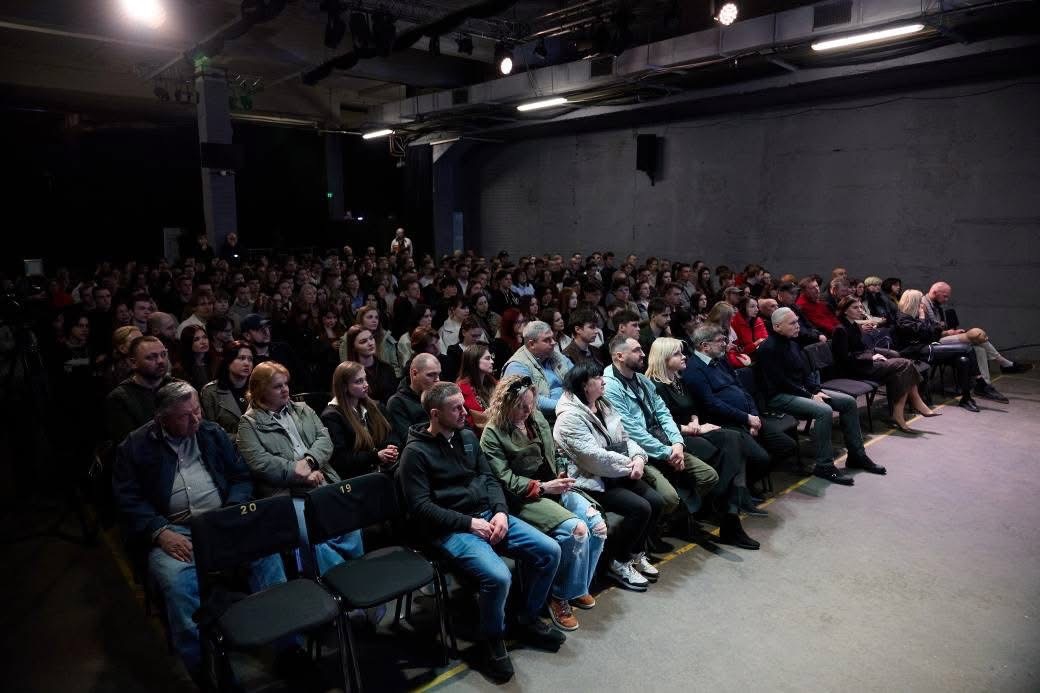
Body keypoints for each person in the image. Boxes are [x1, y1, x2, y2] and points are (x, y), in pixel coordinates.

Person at [111, 381, 288, 681]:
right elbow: (127, 499)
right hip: (174, 530)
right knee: (177, 583)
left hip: (221, 520)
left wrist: (231, 511)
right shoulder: (135, 446)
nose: (196, 419)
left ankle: (287, 645)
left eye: (198, 411)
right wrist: (158, 531)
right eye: (186, 416)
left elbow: (240, 476)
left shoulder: (210, 432)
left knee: (268, 555)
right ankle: (205, 668)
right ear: (162, 419)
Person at [399, 382, 565, 683]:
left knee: (550, 551)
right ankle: (492, 639)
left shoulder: (466, 437)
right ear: (435, 414)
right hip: (451, 529)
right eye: (456, 408)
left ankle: (526, 619)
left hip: (489, 515)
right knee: (499, 577)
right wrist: (468, 523)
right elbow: (421, 508)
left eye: (463, 405)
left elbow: (489, 479)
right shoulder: (415, 454)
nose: (466, 412)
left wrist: (500, 511)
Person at [480, 375, 606, 631]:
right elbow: (504, 480)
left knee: (598, 525)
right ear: (505, 404)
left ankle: (577, 585)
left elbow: (555, 452)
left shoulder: (536, 418)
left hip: (552, 486)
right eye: (520, 406)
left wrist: (560, 472)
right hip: (523, 497)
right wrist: (545, 487)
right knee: (577, 530)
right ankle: (559, 595)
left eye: (531, 404)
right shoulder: (492, 433)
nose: (527, 411)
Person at [236, 361, 362, 576]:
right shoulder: (249, 424)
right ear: (260, 390)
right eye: (277, 386)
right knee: (313, 537)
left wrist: (310, 462)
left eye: (286, 384)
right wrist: (297, 473)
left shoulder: (303, 409)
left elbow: (325, 440)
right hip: (286, 494)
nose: (285, 389)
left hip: (322, 479)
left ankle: (359, 574)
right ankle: (338, 583)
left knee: (351, 524)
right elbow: (260, 463)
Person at [646, 338, 767, 548]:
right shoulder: (655, 386)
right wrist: (695, 428)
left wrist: (695, 421)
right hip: (674, 438)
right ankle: (728, 516)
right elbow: (658, 423)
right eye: (677, 354)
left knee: (734, 438)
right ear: (663, 358)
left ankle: (720, 500)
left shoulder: (678, 379)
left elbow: (693, 409)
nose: (684, 357)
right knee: (726, 449)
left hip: (693, 430)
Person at [553, 364, 663, 592]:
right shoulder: (569, 418)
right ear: (584, 385)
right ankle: (618, 562)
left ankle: (634, 553)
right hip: (590, 480)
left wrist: (639, 457)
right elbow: (593, 458)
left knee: (657, 501)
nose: (603, 381)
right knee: (640, 508)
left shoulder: (603, 404)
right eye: (597, 377)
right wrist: (629, 465)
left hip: (616, 471)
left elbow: (624, 438)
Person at [757, 308, 886, 485]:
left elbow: (805, 374)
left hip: (800, 391)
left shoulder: (793, 344)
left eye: (797, 321)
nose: (798, 326)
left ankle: (857, 455)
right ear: (777, 326)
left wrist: (816, 390)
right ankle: (824, 465)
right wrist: (810, 396)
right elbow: (781, 382)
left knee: (848, 402)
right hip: (778, 396)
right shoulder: (767, 349)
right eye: (792, 323)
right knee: (823, 411)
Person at [601, 336, 719, 518]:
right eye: (637, 350)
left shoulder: (642, 379)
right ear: (620, 356)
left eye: (642, 349)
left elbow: (664, 414)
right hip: (638, 451)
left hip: (663, 442)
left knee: (709, 476)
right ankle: (670, 522)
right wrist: (668, 453)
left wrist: (677, 443)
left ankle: (682, 517)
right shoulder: (609, 386)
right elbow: (632, 430)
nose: (643, 354)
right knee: (669, 498)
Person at [682, 324, 800, 463]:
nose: (725, 344)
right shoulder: (694, 370)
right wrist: (746, 418)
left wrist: (754, 415)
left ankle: (760, 458)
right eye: (720, 340)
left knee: (788, 445)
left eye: (724, 339)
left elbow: (740, 388)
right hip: (727, 423)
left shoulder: (720, 359)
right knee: (762, 459)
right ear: (705, 346)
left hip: (748, 415)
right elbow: (712, 404)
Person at [833, 297, 938, 432]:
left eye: (860, 307)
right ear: (845, 311)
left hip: (863, 364)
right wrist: (871, 357)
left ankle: (899, 414)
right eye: (855, 307)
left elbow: (861, 348)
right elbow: (844, 358)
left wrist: (872, 355)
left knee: (902, 372)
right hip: (855, 369)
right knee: (904, 364)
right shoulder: (840, 329)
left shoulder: (853, 325)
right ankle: (913, 405)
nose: (860, 310)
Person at [894, 290, 984, 412]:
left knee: (963, 360)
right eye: (920, 301)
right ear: (913, 302)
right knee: (967, 348)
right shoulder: (902, 318)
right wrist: (923, 318)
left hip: (926, 347)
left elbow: (934, 329)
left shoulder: (914, 316)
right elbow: (923, 332)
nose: (922, 304)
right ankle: (980, 381)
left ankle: (966, 398)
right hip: (915, 352)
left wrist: (931, 326)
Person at [321, 361, 399, 479]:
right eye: (359, 381)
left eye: (365, 379)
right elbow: (341, 459)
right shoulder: (332, 416)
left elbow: (392, 433)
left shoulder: (375, 406)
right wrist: (376, 456)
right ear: (344, 387)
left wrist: (391, 448)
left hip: (384, 470)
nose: (366, 384)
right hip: (358, 478)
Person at [105, 335, 175, 444]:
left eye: (163, 354)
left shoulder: (178, 386)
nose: (160, 361)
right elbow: (128, 444)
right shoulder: (119, 399)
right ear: (133, 363)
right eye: (151, 357)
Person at [502, 321, 574, 423]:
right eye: (547, 340)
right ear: (532, 344)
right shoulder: (517, 366)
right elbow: (530, 400)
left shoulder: (555, 355)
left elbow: (577, 377)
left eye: (552, 338)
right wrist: (566, 406)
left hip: (568, 411)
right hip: (543, 422)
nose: (553, 342)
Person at [200, 340, 255, 436]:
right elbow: (210, 431)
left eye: (250, 359)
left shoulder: (257, 390)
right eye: (241, 358)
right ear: (228, 361)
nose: (247, 363)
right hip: (228, 444)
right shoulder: (211, 392)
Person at [386, 352, 442, 447]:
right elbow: (409, 439)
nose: (437, 380)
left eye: (438, 374)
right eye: (431, 375)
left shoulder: (441, 395)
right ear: (414, 373)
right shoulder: (397, 402)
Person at [341, 324, 397, 404]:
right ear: (353, 347)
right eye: (363, 341)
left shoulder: (387, 368)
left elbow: (394, 399)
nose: (370, 343)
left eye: (371, 338)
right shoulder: (350, 374)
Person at [457, 344, 497, 431]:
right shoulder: (461, 389)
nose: (492, 361)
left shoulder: (492, 383)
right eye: (487, 358)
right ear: (474, 361)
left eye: (491, 358)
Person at [172, 324, 210, 391]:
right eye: (196, 339)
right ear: (188, 343)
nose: (203, 342)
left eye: (205, 337)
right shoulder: (180, 370)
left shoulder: (215, 361)